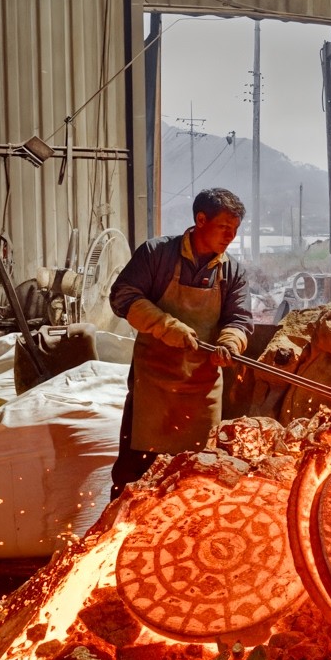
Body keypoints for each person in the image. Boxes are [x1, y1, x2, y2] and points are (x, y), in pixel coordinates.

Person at [108, 188, 252, 498]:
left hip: (201, 388)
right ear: (201, 220)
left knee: (198, 478)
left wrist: (230, 342)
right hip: (153, 386)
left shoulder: (233, 272)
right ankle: (120, 526)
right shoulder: (157, 254)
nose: (231, 236)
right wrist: (166, 326)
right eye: (224, 227)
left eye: (235, 229)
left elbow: (240, 319)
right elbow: (122, 297)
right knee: (133, 477)